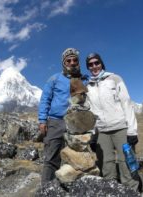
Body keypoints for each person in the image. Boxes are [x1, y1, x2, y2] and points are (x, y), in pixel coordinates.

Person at [85, 52, 140, 191]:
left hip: (120, 127)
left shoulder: (115, 78)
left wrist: (132, 131)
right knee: (106, 165)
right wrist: (92, 135)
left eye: (96, 62)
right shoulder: (88, 86)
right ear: (88, 67)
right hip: (101, 131)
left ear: (101, 63)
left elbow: (126, 103)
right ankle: (112, 191)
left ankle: (132, 191)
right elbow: (90, 113)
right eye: (90, 64)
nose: (94, 66)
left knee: (126, 161)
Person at [38, 48, 87, 185]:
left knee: (75, 158)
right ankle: (46, 189)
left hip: (77, 124)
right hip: (56, 122)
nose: (72, 63)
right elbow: (45, 99)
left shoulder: (83, 79)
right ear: (63, 63)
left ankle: (69, 187)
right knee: (51, 157)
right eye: (68, 60)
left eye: (75, 60)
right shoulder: (54, 79)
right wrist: (42, 120)